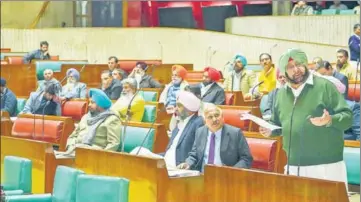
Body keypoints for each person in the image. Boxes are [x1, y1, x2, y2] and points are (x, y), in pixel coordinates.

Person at [259, 48, 352, 189]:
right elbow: (277, 124)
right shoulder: (281, 94)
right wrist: (270, 130)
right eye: (291, 67)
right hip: (294, 165)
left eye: (299, 64)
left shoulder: (324, 86)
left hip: (326, 166)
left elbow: (347, 117)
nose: (296, 69)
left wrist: (329, 120)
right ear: (284, 71)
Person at [177, 103, 253, 172]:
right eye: (210, 117)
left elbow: (246, 159)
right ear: (205, 121)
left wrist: (232, 171)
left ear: (222, 117)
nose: (214, 119)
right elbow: (194, 154)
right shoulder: (200, 132)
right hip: (202, 175)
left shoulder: (235, 133)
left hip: (225, 176)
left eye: (217, 115)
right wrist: (188, 163)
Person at [161, 91, 204, 168]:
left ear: (188, 108)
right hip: (165, 162)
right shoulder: (180, 122)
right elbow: (170, 150)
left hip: (179, 166)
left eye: (179, 106)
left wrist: (187, 164)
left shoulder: (198, 122)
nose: (175, 109)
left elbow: (197, 151)